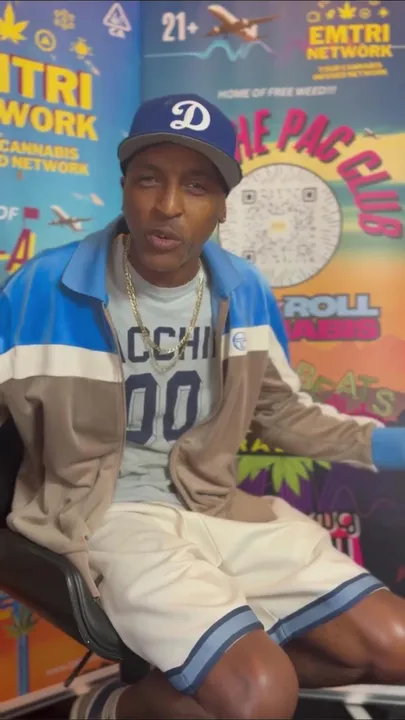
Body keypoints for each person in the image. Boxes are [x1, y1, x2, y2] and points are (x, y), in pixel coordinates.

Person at [1, 94, 405, 720]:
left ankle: (143, 697)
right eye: (148, 179)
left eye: (195, 186)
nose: (167, 205)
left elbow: (283, 412)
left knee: (394, 644)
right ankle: (119, 709)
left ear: (222, 204)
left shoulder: (243, 290)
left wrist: (394, 446)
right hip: (105, 516)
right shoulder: (42, 287)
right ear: (124, 186)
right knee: (260, 695)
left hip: (216, 506)